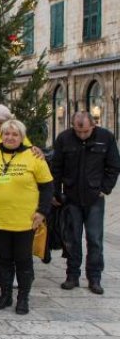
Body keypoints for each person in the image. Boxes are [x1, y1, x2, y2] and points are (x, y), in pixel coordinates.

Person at [0, 119, 53, 314]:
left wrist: (42, 211)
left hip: (25, 220)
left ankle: (23, 298)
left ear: (22, 137)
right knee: (4, 259)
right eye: (7, 133)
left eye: (15, 134)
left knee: (23, 260)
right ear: (1, 135)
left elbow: (47, 187)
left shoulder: (34, 156)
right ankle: (5, 295)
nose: (10, 137)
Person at [51, 111, 120, 294]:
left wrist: (104, 189)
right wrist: (56, 193)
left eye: (86, 132)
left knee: (94, 239)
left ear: (93, 126)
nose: (82, 135)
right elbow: (56, 167)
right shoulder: (64, 138)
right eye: (78, 131)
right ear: (73, 126)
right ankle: (72, 275)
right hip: (71, 197)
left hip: (94, 198)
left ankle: (94, 278)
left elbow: (114, 166)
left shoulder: (106, 137)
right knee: (72, 238)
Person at [0, 104, 38, 286]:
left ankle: (20, 273)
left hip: (18, 199)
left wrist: (36, 150)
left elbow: (28, 152)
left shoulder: (17, 133)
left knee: (18, 242)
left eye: (0, 122)